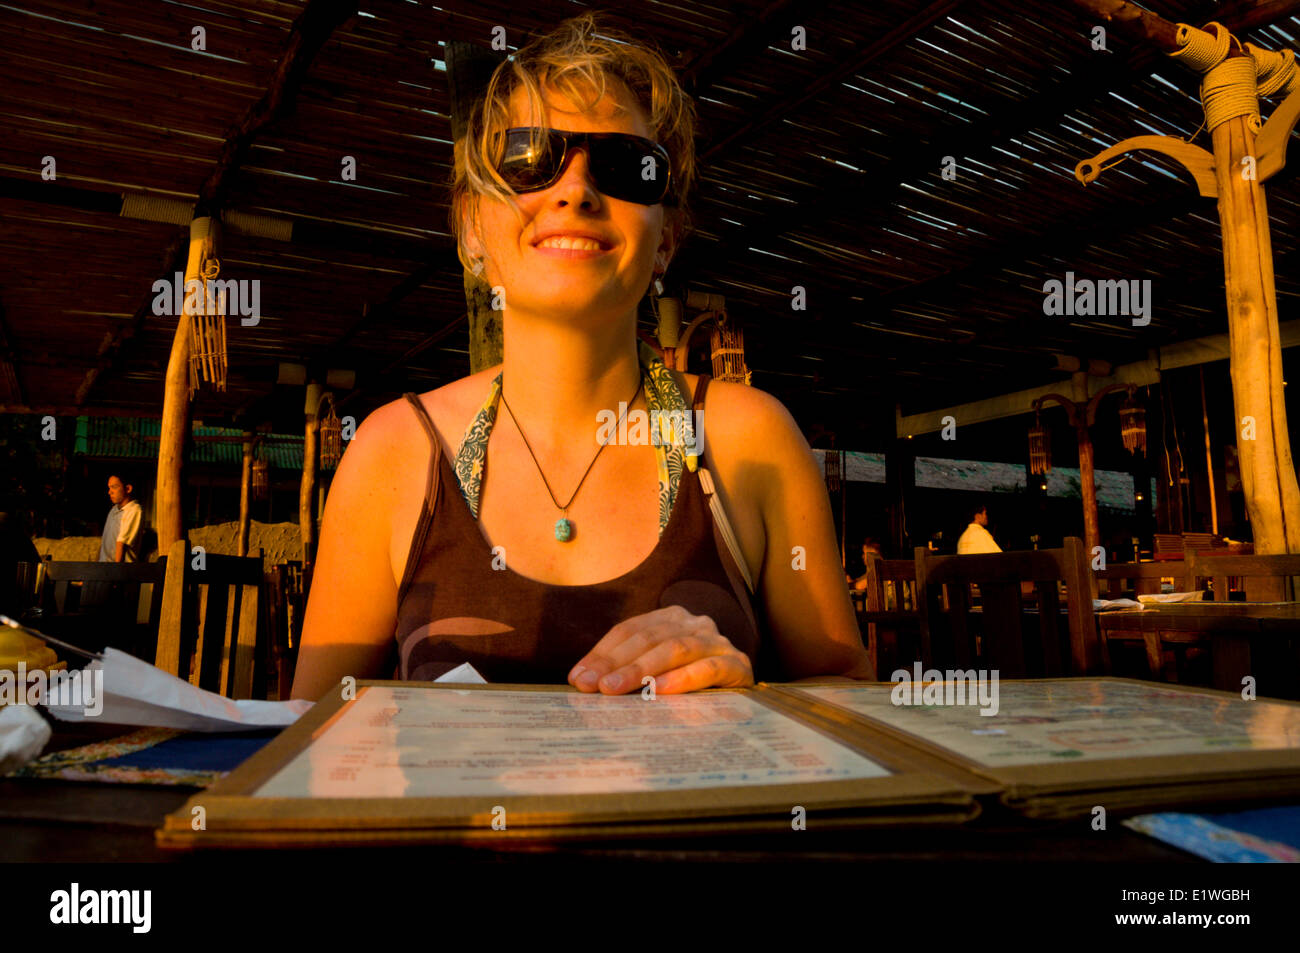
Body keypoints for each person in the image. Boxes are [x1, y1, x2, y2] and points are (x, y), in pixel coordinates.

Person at [291, 14, 872, 700]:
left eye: (628, 166)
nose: (576, 190)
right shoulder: (394, 454)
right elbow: (311, 733)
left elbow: (853, 700)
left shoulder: (749, 440)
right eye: (529, 158)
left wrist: (754, 686)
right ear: (472, 226)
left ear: (666, 240)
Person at [98, 475, 142, 563]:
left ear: (128, 489)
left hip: (119, 570)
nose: (110, 492)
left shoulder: (134, 510)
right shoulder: (113, 510)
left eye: (114, 487)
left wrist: (116, 572)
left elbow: (121, 543)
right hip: (104, 568)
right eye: (109, 488)